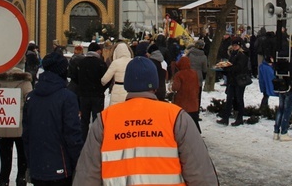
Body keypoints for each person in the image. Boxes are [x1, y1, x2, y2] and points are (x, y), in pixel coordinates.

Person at [74, 56, 218, 185]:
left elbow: (87, 175)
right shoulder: (176, 117)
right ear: (155, 85)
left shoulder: (105, 120)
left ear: (126, 84)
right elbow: (200, 173)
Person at [23, 51, 84, 186]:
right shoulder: (67, 98)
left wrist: (30, 162)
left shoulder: (32, 98)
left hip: (38, 166)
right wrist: (79, 162)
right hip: (61, 166)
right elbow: (72, 135)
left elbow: (26, 135)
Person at [0, 59, 32, 186]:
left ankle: (3, 181)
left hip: (3, 123)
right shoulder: (25, 81)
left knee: (5, 159)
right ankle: (21, 179)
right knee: (22, 158)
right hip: (20, 125)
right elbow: (30, 101)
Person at [272, 37, 292, 141]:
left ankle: (276, 131)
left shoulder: (280, 56)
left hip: (281, 84)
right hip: (291, 86)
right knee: (287, 110)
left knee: (280, 109)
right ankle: (284, 132)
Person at [76, 41, 108, 139]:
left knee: (84, 121)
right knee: (97, 120)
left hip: (84, 95)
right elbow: (106, 79)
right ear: (98, 51)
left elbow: (75, 78)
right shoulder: (100, 63)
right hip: (97, 95)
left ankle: (83, 141)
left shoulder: (81, 63)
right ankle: (95, 140)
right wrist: (101, 89)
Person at [216, 37, 249, 127]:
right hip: (232, 80)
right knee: (229, 99)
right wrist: (223, 69)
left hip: (239, 80)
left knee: (239, 99)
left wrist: (228, 68)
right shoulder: (232, 54)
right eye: (233, 45)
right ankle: (226, 118)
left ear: (239, 46)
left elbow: (239, 67)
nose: (234, 47)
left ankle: (239, 118)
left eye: (236, 45)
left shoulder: (242, 55)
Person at [171, 56, 202, 132]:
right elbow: (197, 86)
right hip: (193, 101)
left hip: (182, 101)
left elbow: (175, 88)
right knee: (194, 120)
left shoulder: (179, 74)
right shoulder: (194, 73)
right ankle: (196, 132)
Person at [100, 41, 132, 105]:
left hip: (117, 90)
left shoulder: (115, 63)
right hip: (130, 91)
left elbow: (104, 80)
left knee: (115, 112)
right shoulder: (133, 62)